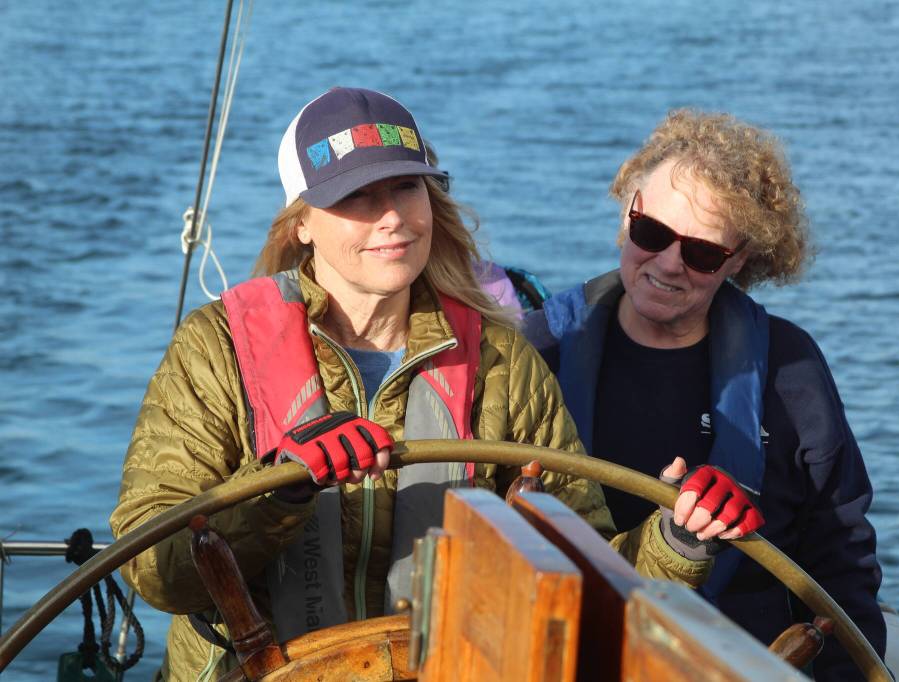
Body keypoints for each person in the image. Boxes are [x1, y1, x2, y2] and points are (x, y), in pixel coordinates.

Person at [109, 88, 762, 681]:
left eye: (406, 189)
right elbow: (152, 569)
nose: (392, 217)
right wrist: (278, 495)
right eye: (357, 198)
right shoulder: (216, 348)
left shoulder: (502, 361)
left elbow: (587, 582)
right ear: (301, 222)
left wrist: (680, 537)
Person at [524, 108, 885, 680]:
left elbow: (840, 556)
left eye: (703, 252)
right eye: (652, 234)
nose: (669, 264)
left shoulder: (791, 369)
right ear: (627, 214)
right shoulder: (538, 351)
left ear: (739, 259)